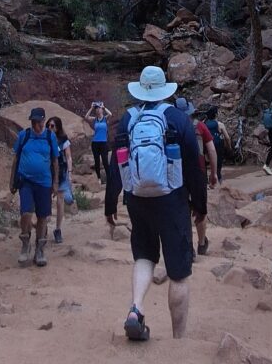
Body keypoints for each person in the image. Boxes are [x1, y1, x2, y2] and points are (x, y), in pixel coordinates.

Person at [105, 66, 207, 341]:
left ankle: (136, 309)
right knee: (179, 273)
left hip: (138, 199)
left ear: (140, 90)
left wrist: (110, 203)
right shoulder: (177, 118)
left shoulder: (128, 119)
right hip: (172, 201)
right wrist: (200, 205)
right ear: (164, 90)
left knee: (144, 256)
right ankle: (178, 341)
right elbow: (195, 166)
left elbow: (117, 163)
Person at [10, 106, 59, 267]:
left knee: (42, 217)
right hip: (26, 181)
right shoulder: (24, 135)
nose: (36, 125)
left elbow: (55, 161)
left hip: (44, 182)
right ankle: (25, 243)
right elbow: (16, 158)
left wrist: (55, 182)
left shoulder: (50, 137)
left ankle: (40, 248)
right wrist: (12, 181)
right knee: (26, 213)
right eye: (34, 122)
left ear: (44, 121)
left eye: (38, 122)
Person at [174, 97, 217, 256]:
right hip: (198, 172)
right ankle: (201, 243)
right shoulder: (200, 126)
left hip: (178, 173)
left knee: (184, 210)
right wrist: (213, 174)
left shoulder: (171, 127)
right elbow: (211, 151)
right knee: (200, 209)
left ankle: (188, 248)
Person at [46, 115, 73, 243]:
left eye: (52, 126)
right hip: (47, 173)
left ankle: (58, 229)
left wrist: (70, 172)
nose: (50, 128)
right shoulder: (44, 138)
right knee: (45, 201)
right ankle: (43, 226)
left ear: (57, 127)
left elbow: (68, 157)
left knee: (60, 201)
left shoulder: (63, 140)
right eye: (48, 125)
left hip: (61, 173)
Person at [85, 100, 112, 182]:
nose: (97, 110)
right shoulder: (94, 119)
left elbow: (110, 114)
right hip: (95, 143)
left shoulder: (105, 118)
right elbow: (86, 117)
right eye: (96, 109)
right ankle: (99, 179)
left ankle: (109, 178)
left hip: (104, 142)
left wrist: (104, 107)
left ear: (101, 110)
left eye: (99, 108)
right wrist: (91, 108)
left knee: (105, 161)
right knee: (97, 161)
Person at [204, 106, 231, 182]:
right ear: (216, 114)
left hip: (206, 146)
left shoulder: (204, 125)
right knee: (218, 166)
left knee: (205, 164)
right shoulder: (220, 124)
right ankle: (218, 180)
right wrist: (229, 147)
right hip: (218, 146)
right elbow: (227, 138)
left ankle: (206, 181)